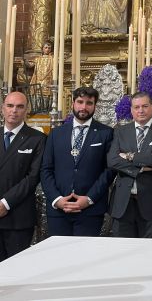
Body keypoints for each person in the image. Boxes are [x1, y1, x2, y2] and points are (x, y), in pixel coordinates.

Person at [40, 87, 114, 236]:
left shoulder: (106, 133)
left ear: (95, 106)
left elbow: (109, 170)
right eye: (80, 102)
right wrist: (57, 199)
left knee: (86, 251)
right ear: (73, 103)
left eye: (89, 103)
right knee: (58, 251)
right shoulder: (56, 134)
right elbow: (46, 169)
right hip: (59, 210)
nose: (84, 107)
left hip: (90, 210)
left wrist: (89, 199)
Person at [107, 92, 152, 238]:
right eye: (136, 107)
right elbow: (112, 161)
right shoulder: (120, 132)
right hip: (123, 203)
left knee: (149, 249)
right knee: (122, 249)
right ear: (131, 110)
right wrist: (143, 167)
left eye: (145, 106)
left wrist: (130, 156)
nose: (141, 110)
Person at [0, 92, 46, 261]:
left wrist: (5, 203)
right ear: (2, 109)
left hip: (18, 217)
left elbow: (33, 177)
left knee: (15, 269)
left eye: (20, 106)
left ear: (27, 110)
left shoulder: (37, 139)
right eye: (10, 106)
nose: (14, 110)